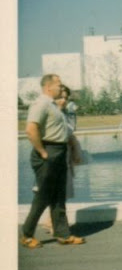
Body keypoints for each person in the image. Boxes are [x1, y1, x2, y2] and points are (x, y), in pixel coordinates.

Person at [21, 74, 85, 248]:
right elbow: (31, 129)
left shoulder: (53, 105)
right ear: (48, 87)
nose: (61, 87)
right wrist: (42, 151)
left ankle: (63, 234)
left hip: (59, 151)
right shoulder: (41, 104)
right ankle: (27, 235)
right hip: (48, 151)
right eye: (59, 85)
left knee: (58, 195)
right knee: (43, 196)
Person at [40, 85, 84, 233]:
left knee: (62, 191)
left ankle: (51, 222)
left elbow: (70, 134)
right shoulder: (50, 113)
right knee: (56, 191)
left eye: (66, 98)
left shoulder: (67, 114)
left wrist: (75, 151)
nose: (63, 100)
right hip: (54, 156)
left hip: (65, 156)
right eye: (60, 97)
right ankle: (54, 224)